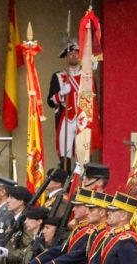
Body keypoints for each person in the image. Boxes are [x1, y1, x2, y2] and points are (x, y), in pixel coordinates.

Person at [47, 41, 81, 173]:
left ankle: (80, 184)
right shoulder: (59, 76)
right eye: (70, 53)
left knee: (82, 155)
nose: (73, 55)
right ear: (66, 56)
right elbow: (50, 101)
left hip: (82, 119)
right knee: (64, 156)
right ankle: (65, 185)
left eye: (76, 52)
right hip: (65, 119)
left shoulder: (86, 76)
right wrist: (61, 93)